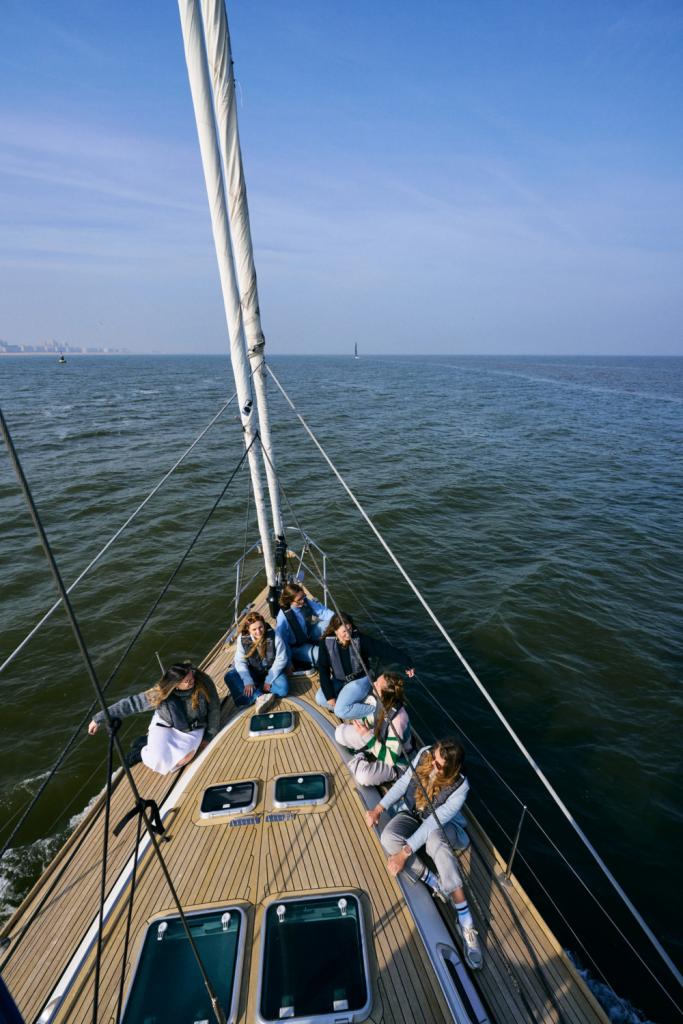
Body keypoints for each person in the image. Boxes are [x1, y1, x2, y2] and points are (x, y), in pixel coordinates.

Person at [365, 739, 483, 969]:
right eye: (434, 758)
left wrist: (404, 854)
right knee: (388, 837)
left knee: (437, 843)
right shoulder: (425, 754)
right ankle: (434, 882)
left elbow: (431, 824)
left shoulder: (460, 787)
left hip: (439, 825)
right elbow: (403, 784)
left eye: (439, 765)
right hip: (413, 814)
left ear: (452, 769)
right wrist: (378, 808)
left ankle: (466, 921)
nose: (434, 765)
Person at [88, 661, 219, 774]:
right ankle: (141, 752)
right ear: (176, 684)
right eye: (187, 681)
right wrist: (99, 718)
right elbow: (132, 704)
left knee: (182, 760)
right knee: (158, 762)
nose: (193, 681)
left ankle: (147, 742)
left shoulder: (203, 683)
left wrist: (209, 735)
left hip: (193, 729)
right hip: (166, 725)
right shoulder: (161, 693)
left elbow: (214, 709)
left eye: (192, 677)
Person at [315, 611, 413, 720]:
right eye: (344, 631)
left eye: (350, 629)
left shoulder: (360, 640)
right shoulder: (325, 643)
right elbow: (323, 669)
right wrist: (330, 697)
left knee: (340, 711)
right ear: (335, 631)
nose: (348, 634)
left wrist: (407, 662)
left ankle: (378, 710)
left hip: (360, 679)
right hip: (339, 680)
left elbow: (383, 649)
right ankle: (351, 706)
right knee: (320, 698)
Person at [335, 673, 412, 786]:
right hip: (378, 740)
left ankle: (362, 757)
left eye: (377, 684)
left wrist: (367, 736)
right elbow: (374, 719)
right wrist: (361, 723)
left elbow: (391, 758)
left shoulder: (398, 721)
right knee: (339, 733)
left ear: (383, 693)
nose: (373, 683)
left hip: (396, 761)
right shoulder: (383, 702)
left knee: (363, 777)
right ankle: (363, 757)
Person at [224, 611, 289, 712]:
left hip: (271, 672)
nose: (258, 632)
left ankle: (255, 692)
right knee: (229, 676)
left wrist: (269, 680)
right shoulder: (242, 639)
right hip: (253, 672)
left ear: (264, 625)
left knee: (283, 689)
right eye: (254, 629)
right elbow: (240, 661)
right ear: (248, 630)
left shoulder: (275, 636)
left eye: (260, 627)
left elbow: (281, 659)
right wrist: (247, 680)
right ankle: (260, 696)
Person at [275, 582, 333, 668]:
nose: (302, 601)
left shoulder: (305, 601)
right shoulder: (283, 618)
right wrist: (288, 663)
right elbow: (282, 642)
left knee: (332, 624)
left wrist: (339, 620)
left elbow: (323, 612)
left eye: (303, 596)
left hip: (309, 634)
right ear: (289, 601)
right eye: (299, 600)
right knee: (323, 655)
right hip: (297, 647)